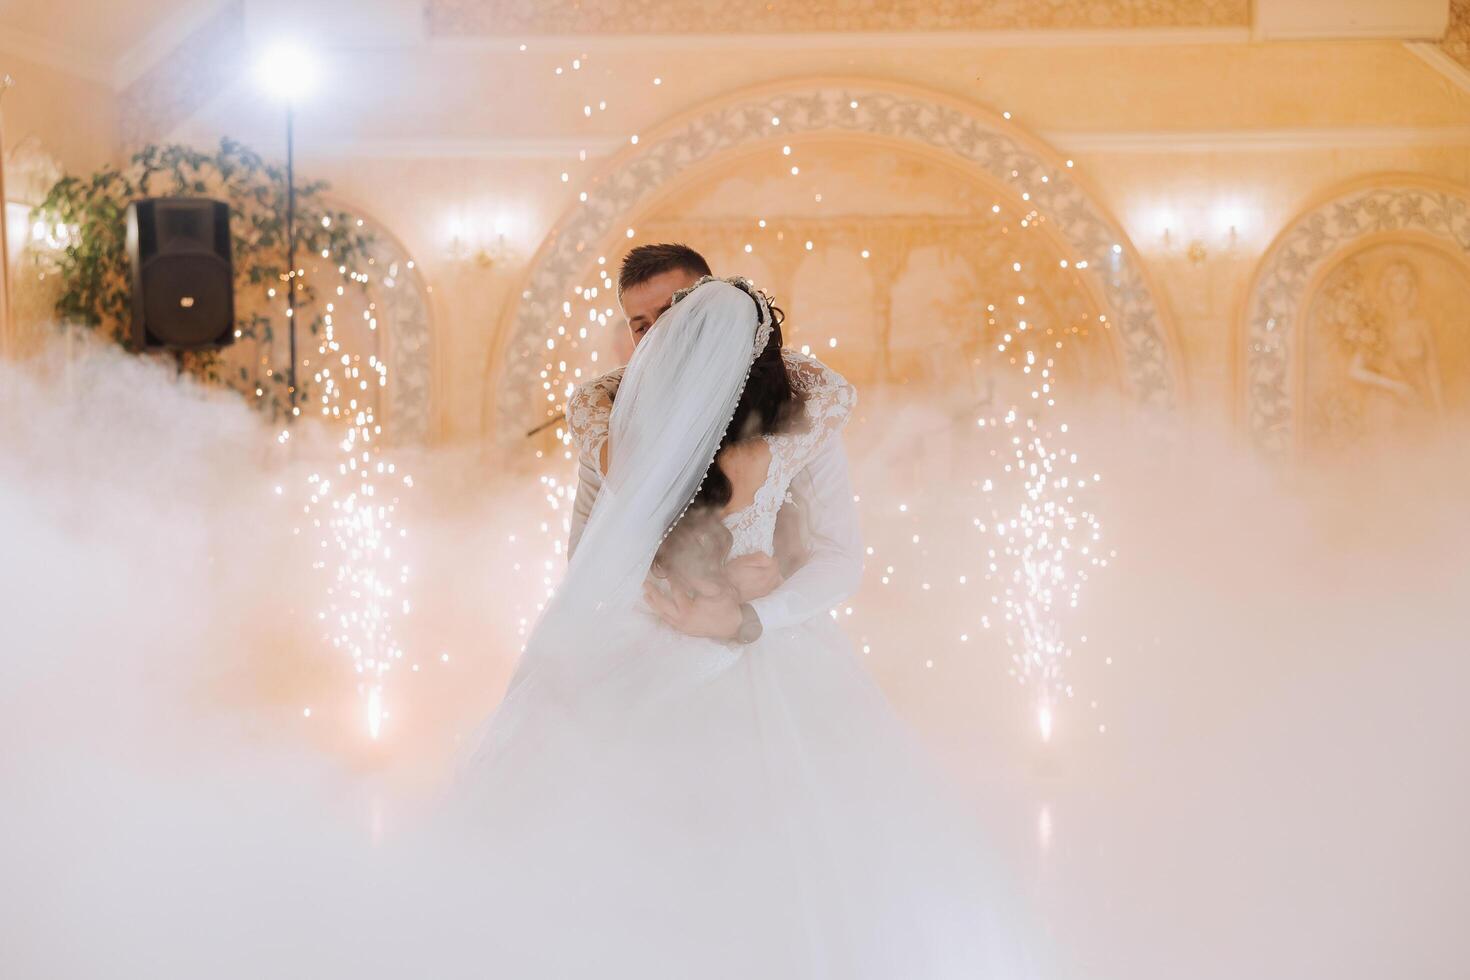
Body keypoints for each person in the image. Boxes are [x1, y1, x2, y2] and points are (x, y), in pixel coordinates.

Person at [456, 274, 1034, 978]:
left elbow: (830, 557)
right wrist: (716, 598)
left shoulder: (757, 434)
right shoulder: (650, 434)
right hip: (725, 649)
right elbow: (594, 563)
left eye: (666, 325)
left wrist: (746, 606)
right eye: (642, 325)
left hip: (721, 646)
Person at [565, 243, 862, 643]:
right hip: (649, 644)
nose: (661, 337)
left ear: (716, 304)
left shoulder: (803, 413)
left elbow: (840, 558)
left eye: (674, 313)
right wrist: (705, 586)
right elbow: (585, 565)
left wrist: (751, 613)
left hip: (771, 639)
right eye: (642, 326)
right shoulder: (608, 423)